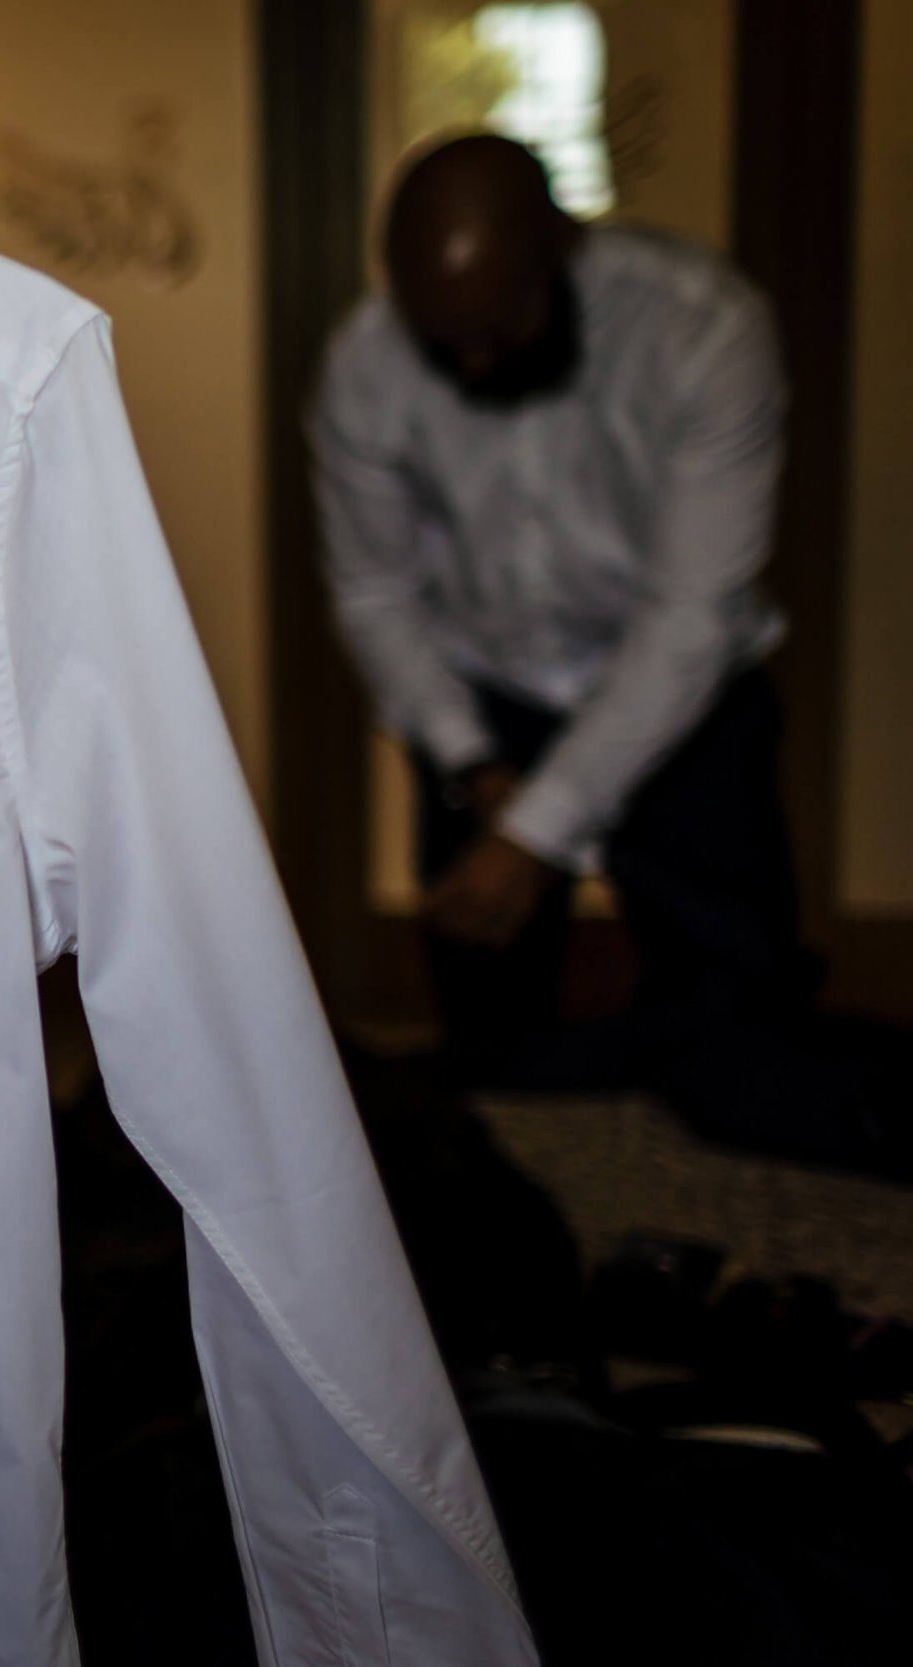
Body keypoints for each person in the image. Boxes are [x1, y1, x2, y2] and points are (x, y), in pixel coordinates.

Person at [308, 134, 892, 1148]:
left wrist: (536, 831)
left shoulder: (704, 327)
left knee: (741, 1018)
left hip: (685, 698)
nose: (472, 363)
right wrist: (471, 762)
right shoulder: (363, 366)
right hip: (483, 696)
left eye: (495, 329)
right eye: (444, 344)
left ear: (562, 245)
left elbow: (690, 613)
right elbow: (374, 590)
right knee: (486, 1046)